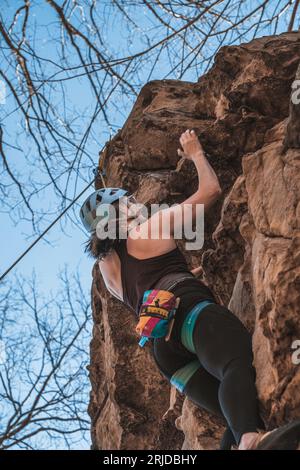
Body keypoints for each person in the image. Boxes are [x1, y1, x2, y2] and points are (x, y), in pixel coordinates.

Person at [80, 129, 280, 450]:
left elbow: (151, 280)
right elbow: (210, 191)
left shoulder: (108, 271)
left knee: (238, 413)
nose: (135, 202)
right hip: (188, 312)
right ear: (119, 212)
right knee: (235, 365)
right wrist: (195, 151)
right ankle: (250, 442)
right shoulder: (148, 229)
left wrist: (188, 272)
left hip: (164, 351)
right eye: (128, 201)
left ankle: (248, 437)